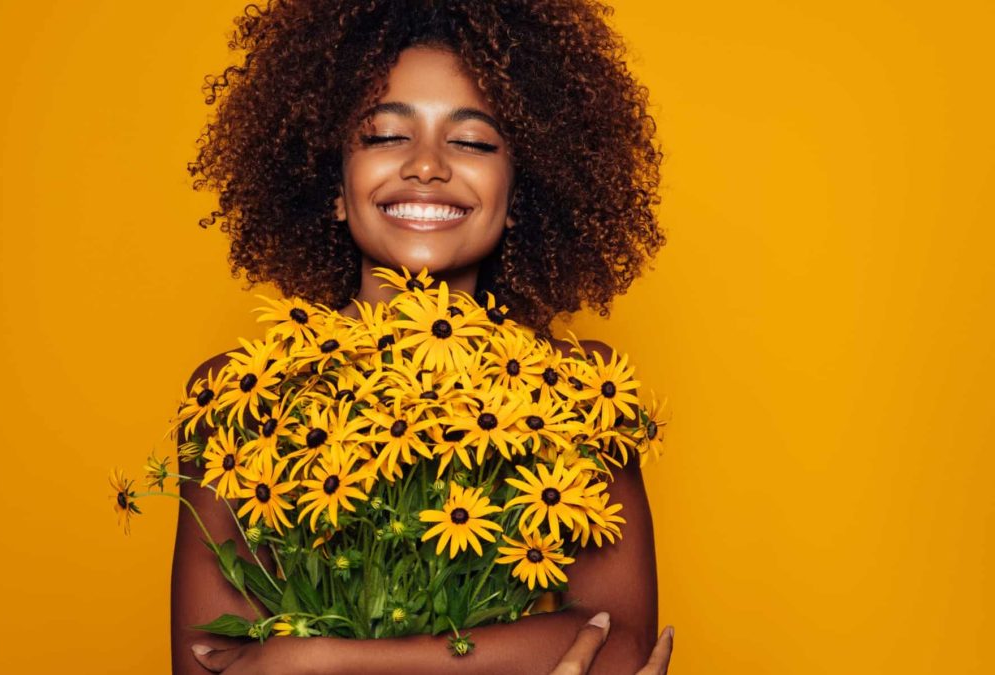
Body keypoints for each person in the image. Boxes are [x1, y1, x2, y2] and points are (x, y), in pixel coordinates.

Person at [173, 2, 672, 673]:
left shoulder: (585, 392)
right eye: (384, 136)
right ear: (335, 186)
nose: (428, 166)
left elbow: (620, 647)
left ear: (518, 190)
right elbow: (207, 662)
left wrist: (315, 660)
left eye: (472, 142)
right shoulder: (243, 394)